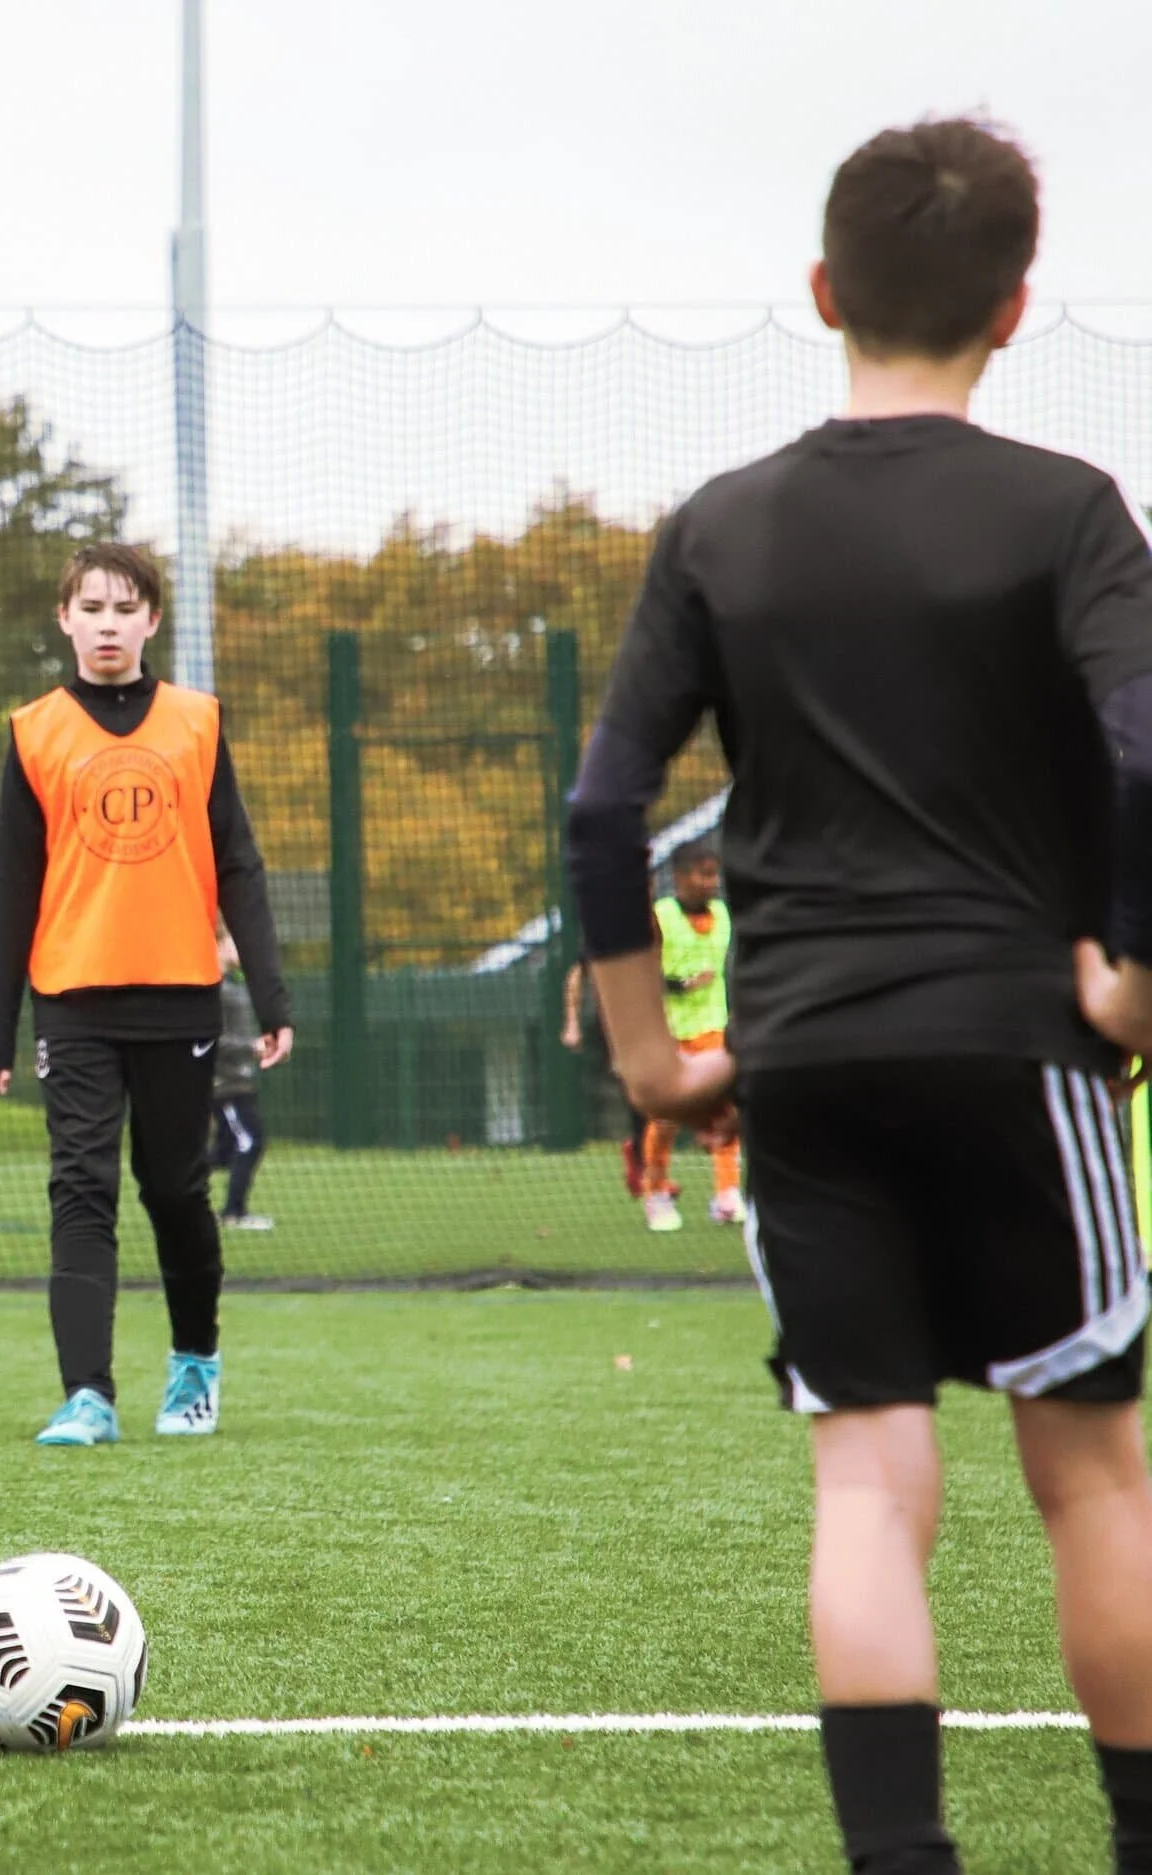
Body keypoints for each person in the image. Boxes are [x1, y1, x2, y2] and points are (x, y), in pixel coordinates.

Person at [568, 118, 1152, 1875]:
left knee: (869, 1488)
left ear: (824, 291)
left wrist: (654, 1056)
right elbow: (1145, 753)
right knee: (1096, 1482)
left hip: (804, 1064)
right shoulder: (1070, 513)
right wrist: (1130, 976)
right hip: (1018, 1052)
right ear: (1018, 307)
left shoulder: (722, 527)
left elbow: (606, 806)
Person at [0, 542, 293, 1447]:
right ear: (64, 618)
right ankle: (88, 1395)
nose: (109, 623)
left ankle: (195, 1366)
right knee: (80, 1188)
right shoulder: (35, 730)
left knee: (176, 1191)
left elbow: (238, 860)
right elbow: (12, 887)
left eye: (126, 608)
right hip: (72, 999)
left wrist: (273, 998)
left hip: (181, 997)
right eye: (92, 607)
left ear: (153, 620)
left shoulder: (196, 721)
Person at [640, 842, 742, 1233]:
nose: (710, 883)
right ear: (680, 878)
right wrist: (680, 985)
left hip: (712, 1025)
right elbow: (643, 973)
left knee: (723, 1108)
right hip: (668, 1030)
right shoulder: (661, 917)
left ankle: (727, 1194)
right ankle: (656, 1192)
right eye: (702, 875)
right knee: (665, 1118)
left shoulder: (722, 915)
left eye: (714, 874)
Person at [562, 952, 652, 1202]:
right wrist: (572, 1022)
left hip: (660, 1016)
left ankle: (645, 1163)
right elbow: (578, 972)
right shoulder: (610, 925)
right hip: (617, 1025)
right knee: (638, 1089)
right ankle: (642, 1162)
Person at [208, 925, 271, 1231]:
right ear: (218, 945)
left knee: (223, 1152)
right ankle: (233, 1213)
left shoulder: (234, 984)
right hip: (224, 1085)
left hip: (240, 1081)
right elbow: (212, 1039)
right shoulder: (213, 989)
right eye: (234, 940)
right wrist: (251, 1046)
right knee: (249, 1142)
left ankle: (172, 1180)